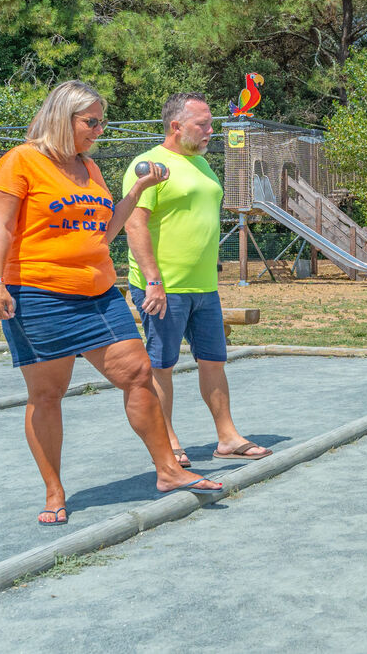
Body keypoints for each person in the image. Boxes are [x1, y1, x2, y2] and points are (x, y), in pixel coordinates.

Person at [0, 80, 223, 526]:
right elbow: (0, 228)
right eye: (91, 122)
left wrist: (137, 191)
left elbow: (105, 232)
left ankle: (168, 471)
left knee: (138, 373)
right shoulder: (20, 161)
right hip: (39, 293)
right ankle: (54, 491)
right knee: (47, 394)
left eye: (101, 123)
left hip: (99, 292)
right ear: (64, 118)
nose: (99, 130)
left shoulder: (89, 167)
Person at [123, 93, 271, 466]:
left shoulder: (202, 164)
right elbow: (134, 224)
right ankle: (167, 441)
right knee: (162, 364)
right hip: (164, 288)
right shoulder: (149, 165)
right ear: (176, 126)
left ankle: (228, 438)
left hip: (204, 288)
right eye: (202, 124)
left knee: (213, 360)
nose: (210, 131)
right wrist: (153, 281)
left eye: (210, 123)